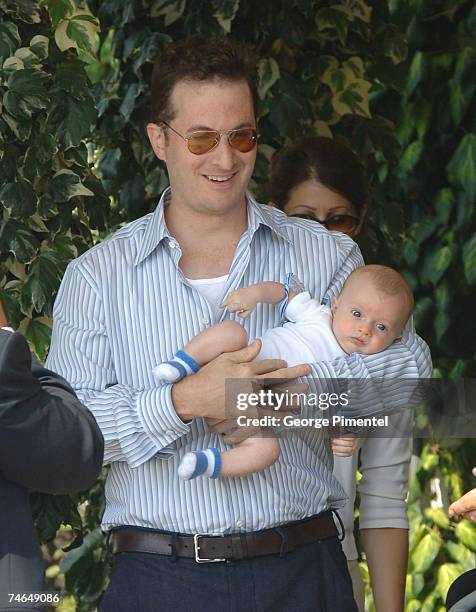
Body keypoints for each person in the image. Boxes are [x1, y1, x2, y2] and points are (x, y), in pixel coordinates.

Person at [45, 36, 431, 612]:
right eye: (201, 138)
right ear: (159, 139)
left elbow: (407, 386)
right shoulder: (97, 277)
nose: (225, 160)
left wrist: (276, 404)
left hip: (304, 569)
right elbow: (61, 442)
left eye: (242, 137)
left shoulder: (324, 256)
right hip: (158, 578)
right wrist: (184, 401)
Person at [270, 136, 415, 612]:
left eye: (340, 220)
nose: (326, 236)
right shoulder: (256, 313)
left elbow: (386, 496)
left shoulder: (387, 337)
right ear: (273, 213)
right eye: (305, 219)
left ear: (361, 220)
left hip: (332, 577)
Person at [155, 265, 413, 482]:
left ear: (397, 336)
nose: (364, 329)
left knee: (267, 450)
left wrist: (346, 434)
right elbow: (284, 293)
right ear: (335, 306)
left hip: (255, 409)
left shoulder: (359, 373)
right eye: (357, 314)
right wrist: (254, 293)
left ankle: (208, 463)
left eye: (381, 327)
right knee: (232, 331)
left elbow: (338, 411)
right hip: (241, 359)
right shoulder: (318, 316)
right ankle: (183, 364)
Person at [0, 301, 104, 609]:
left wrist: (242, 410)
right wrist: (176, 403)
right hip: (154, 557)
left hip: (254, 554)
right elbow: (90, 414)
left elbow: (75, 450)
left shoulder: (255, 270)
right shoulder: (101, 272)